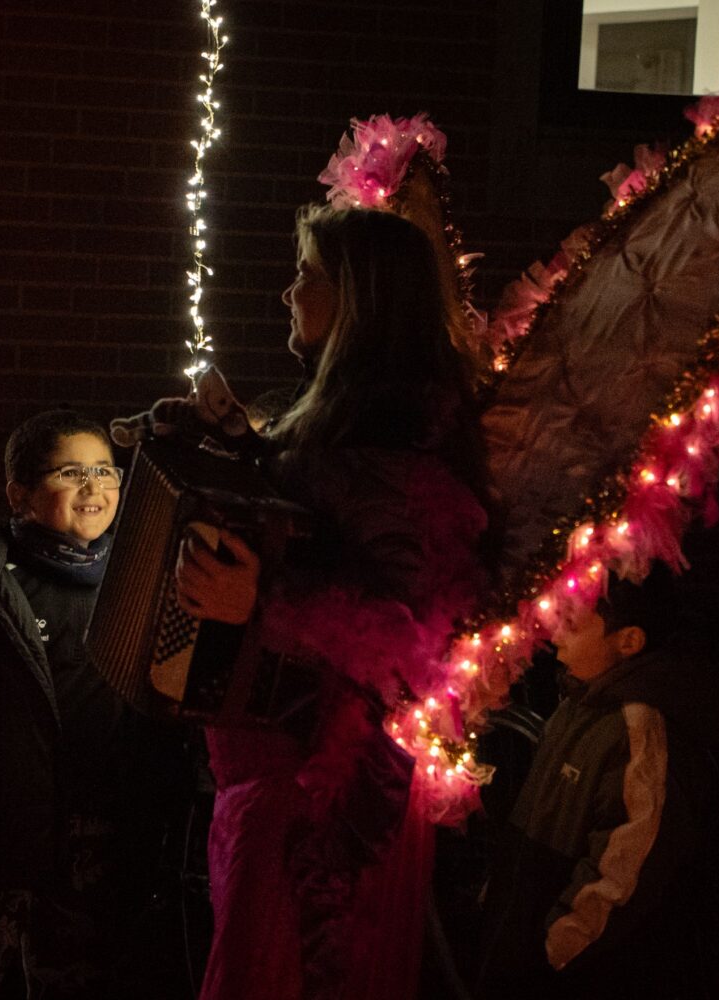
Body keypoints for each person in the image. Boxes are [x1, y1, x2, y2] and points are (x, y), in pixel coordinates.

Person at [168, 205, 488, 1000]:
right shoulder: (348, 426)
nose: (286, 293)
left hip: (322, 801)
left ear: (358, 300)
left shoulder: (401, 444)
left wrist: (262, 599)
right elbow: (322, 527)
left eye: (306, 275)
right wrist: (239, 446)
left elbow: (411, 638)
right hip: (268, 774)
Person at [0, 410, 184, 999]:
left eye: (106, 470)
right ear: (19, 494)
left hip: (101, 856)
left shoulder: (144, 581)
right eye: (71, 472)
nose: (94, 488)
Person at [474, 568, 719, 1000]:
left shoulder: (636, 727)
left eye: (572, 623)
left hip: (571, 966)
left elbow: (627, 861)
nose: (555, 632)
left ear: (628, 641)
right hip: (524, 936)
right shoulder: (578, 703)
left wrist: (559, 945)